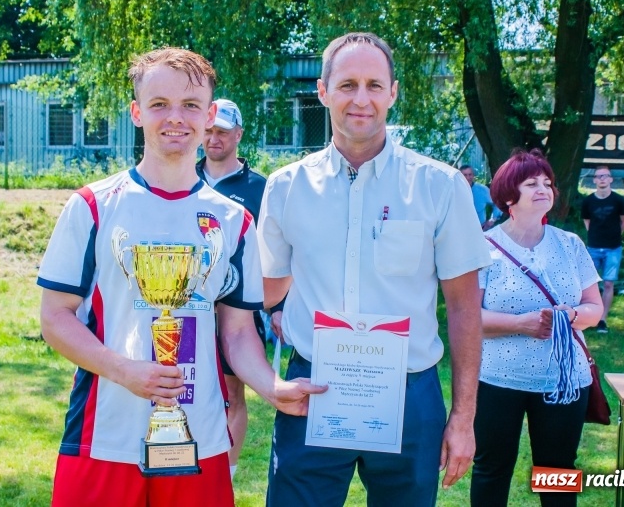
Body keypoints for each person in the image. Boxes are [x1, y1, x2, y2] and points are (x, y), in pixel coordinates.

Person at [37, 48, 325, 507]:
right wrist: (124, 370)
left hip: (200, 437)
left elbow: (236, 331)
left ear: (209, 115)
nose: (176, 118)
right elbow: (54, 317)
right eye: (159, 104)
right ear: (136, 112)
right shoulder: (93, 205)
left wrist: (272, 387)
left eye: (191, 105)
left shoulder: (234, 221)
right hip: (103, 435)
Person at [257, 32, 492, 506]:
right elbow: (263, 292)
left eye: (372, 84)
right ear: (323, 92)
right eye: (346, 85)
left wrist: (463, 418)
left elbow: (466, 308)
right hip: (312, 390)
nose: (360, 99)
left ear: (393, 92)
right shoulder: (285, 188)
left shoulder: (440, 187)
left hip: (410, 396)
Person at [471, 149, 604, 507]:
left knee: (557, 471)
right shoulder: (483, 248)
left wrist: (571, 316)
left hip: (563, 382)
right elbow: (468, 319)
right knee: (491, 468)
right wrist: (521, 324)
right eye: (532, 183)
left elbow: (595, 308)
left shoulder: (570, 245)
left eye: (547, 182)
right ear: (508, 195)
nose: (543, 188)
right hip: (498, 380)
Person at [195, 98, 268, 480]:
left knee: (230, 394)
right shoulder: (184, 179)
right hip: (186, 308)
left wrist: (278, 307)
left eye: (222, 131)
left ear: (238, 134)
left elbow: (274, 257)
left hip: (238, 311)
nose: (213, 138)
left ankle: (226, 475)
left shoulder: (260, 189)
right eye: (208, 130)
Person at [581, 165, 624, 334]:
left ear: (610, 179)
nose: (602, 179)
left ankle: (602, 320)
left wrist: (614, 236)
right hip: (593, 248)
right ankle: (586, 319)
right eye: (598, 176)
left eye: (605, 176)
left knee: (608, 284)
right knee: (589, 284)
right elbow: (587, 222)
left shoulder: (619, 200)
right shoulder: (588, 201)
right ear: (594, 180)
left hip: (613, 249)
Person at [460, 164, 502, 230]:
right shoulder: (454, 191)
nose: (468, 178)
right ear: (460, 176)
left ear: (473, 175)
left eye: (470, 174)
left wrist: (492, 219)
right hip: (460, 230)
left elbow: (497, 203)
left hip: (480, 230)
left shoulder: (482, 190)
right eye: (465, 175)